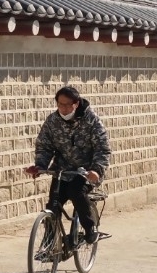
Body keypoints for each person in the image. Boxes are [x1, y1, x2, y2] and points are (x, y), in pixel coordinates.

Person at [25, 86, 111, 244]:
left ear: (76, 104)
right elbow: (44, 146)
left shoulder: (91, 120)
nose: (63, 109)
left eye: (67, 105)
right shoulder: (53, 121)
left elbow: (102, 149)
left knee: (76, 191)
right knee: (53, 205)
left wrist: (97, 170)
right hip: (62, 171)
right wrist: (40, 166)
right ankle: (50, 243)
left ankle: (90, 228)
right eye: (60, 104)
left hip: (86, 171)